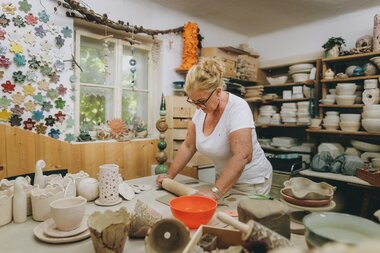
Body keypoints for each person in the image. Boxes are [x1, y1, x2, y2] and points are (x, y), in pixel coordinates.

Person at [156, 57, 272, 200]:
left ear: (218, 92)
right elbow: (188, 145)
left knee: (240, 221)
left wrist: (215, 192)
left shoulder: (237, 108)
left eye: (201, 101)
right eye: (193, 101)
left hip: (250, 182)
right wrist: (170, 176)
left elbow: (243, 156)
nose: (197, 107)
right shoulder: (201, 111)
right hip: (223, 179)